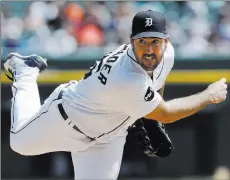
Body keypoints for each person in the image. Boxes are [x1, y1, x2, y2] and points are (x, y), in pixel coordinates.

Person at [3, 10, 227, 179]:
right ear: (131, 42)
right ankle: (25, 72)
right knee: (20, 144)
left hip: (107, 138)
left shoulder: (167, 54)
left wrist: (151, 120)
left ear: (166, 41)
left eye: (155, 41)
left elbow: (157, 83)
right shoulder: (126, 75)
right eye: (142, 41)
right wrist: (208, 95)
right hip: (66, 119)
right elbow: (166, 113)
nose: (149, 49)